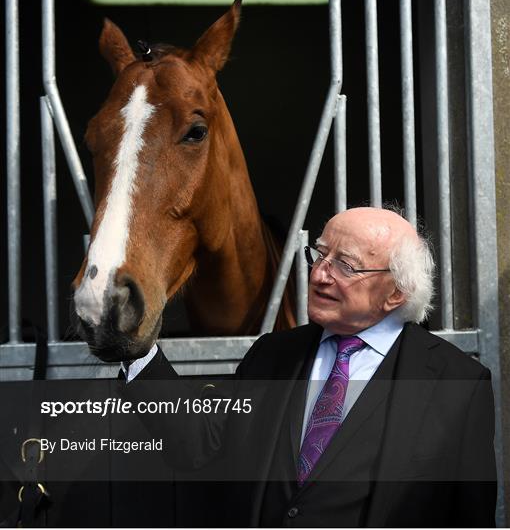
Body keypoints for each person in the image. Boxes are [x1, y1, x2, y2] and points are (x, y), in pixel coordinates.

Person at [122, 207, 496, 527]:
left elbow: (468, 519)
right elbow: (200, 443)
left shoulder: (457, 382)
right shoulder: (273, 355)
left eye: (345, 266)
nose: (319, 275)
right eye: (320, 255)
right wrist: (135, 347)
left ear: (396, 291)